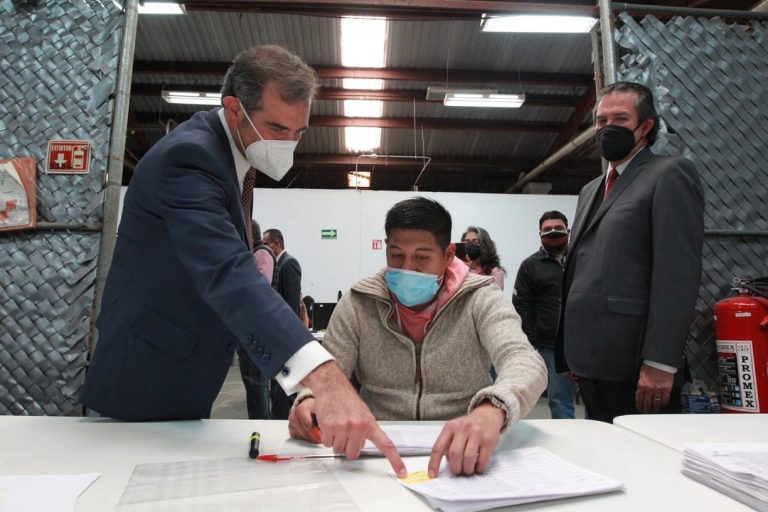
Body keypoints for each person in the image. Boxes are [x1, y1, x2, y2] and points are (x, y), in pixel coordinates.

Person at [80, 45, 405, 476]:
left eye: (298, 131)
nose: (287, 143)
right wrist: (325, 378)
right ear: (233, 109)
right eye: (275, 127)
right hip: (142, 378)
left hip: (183, 375)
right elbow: (228, 272)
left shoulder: (230, 161)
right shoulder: (189, 158)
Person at [288, 197, 547, 477]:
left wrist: (491, 409)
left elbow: (524, 360)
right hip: (374, 454)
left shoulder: (481, 297)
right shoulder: (358, 302)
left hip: (462, 450)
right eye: (396, 255)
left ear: (448, 255)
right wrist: (309, 400)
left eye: (422, 257)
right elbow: (329, 371)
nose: (407, 268)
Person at [556, 81, 704, 423]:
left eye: (620, 118)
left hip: (637, 365)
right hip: (591, 363)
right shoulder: (590, 189)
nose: (608, 128)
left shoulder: (668, 174)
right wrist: (572, 353)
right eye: (601, 120)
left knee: (644, 465)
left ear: (645, 127)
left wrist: (661, 362)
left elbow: (677, 275)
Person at [513, 211, 575, 419]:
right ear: (539, 234)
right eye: (547, 229)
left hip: (582, 342)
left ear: (569, 231)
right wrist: (532, 341)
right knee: (560, 398)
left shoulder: (581, 260)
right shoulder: (530, 266)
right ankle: (568, 444)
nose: (553, 232)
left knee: (596, 396)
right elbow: (522, 305)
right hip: (550, 345)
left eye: (558, 228)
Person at [236, 220, 277, 419]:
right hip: (251, 326)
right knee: (252, 381)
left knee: (256, 381)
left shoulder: (261, 254)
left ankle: (261, 424)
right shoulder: (253, 254)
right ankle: (257, 421)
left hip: (258, 327)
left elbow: (260, 287)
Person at [262, 227, 303, 419]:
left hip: (285, 336)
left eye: (267, 244)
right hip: (278, 335)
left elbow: (292, 304)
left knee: (283, 385)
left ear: (277, 244)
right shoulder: (279, 265)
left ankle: (282, 419)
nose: (264, 249)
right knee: (278, 384)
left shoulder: (289, 264)